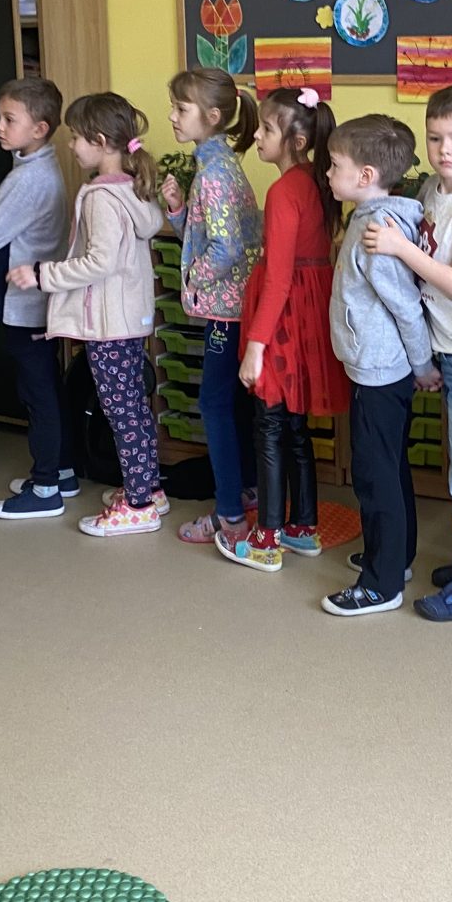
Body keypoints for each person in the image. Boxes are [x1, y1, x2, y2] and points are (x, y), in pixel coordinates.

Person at [362, 84, 452, 622]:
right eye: (435, 138)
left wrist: (400, 248)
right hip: (446, 350)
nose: (445, 149)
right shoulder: (432, 189)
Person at [12, 92, 166, 536]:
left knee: (122, 411)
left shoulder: (102, 196)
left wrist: (42, 274)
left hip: (108, 323)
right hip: (128, 319)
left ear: (100, 141)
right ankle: (148, 489)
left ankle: (139, 504)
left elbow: (99, 262)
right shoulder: (132, 188)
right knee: (133, 407)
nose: (71, 146)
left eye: (77, 138)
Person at [218, 86, 349, 573]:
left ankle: (266, 538)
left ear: (297, 140)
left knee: (269, 424)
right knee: (294, 426)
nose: (257, 135)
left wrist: (255, 346)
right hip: (307, 309)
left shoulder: (283, 192)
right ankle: (303, 527)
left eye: (267, 129)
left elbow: (277, 278)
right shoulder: (318, 182)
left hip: (284, 317)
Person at [325, 114, 437, 616]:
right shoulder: (370, 219)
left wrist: (423, 365)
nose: (329, 173)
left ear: (366, 175)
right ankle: (395, 558)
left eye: (335, 165)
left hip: (382, 372)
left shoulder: (377, 230)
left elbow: (405, 306)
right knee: (388, 467)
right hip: (375, 367)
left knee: (375, 477)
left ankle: (381, 584)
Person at [0, 77, 75, 520]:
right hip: (36, 299)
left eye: (9, 119)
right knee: (45, 387)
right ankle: (61, 471)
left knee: (37, 393)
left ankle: (46, 487)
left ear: (40, 129)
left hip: (27, 304)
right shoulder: (33, 167)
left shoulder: (27, 177)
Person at [163, 66, 262, 544]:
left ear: (213, 116)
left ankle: (229, 516)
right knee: (234, 404)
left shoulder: (215, 175)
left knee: (215, 405)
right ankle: (246, 492)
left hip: (225, 312)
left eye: (181, 109)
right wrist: (179, 211)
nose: (173, 117)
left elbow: (224, 249)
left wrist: (192, 282)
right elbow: (205, 238)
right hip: (233, 307)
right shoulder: (218, 166)